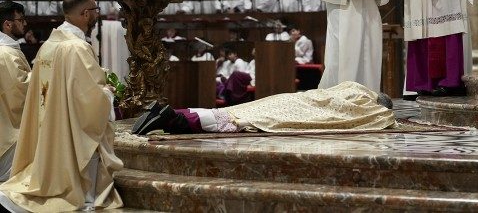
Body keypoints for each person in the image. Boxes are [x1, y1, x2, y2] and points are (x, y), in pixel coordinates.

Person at [0, 0, 123, 211]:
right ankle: (85, 194)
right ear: (85, 14)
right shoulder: (77, 47)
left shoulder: (49, 44)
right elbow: (89, 98)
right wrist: (107, 92)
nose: (97, 15)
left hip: (51, 120)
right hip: (71, 124)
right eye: (95, 10)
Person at [132, 81, 394, 135]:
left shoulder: (351, 85)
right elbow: (377, 115)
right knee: (238, 119)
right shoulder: (366, 102)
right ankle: (172, 119)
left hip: (296, 99)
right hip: (304, 107)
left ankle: (173, 115)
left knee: (241, 112)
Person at [0, 2, 31, 182]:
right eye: (21, 19)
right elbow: (18, 91)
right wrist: (44, 73)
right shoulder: (6, 55)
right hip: (10, 136)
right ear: (8, 24)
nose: (25, 24)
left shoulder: (8, 51)